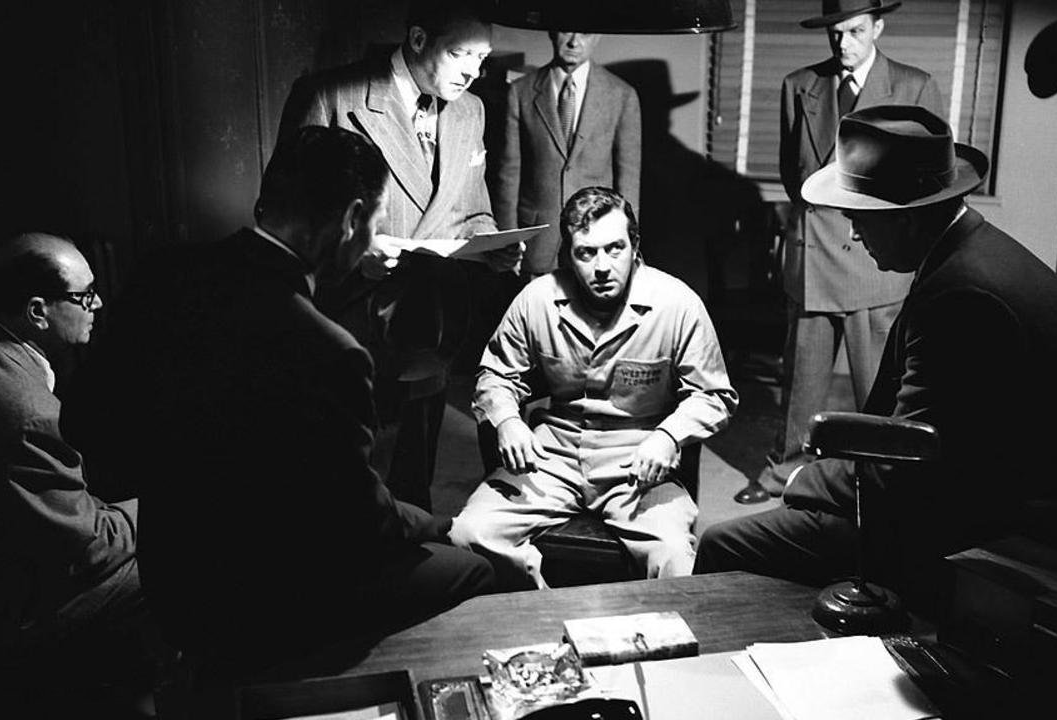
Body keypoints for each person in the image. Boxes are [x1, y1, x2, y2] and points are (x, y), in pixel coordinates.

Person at [67, 127, 494, 674]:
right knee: (473, 571)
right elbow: (360, 523)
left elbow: (87, 428)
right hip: (269, 604)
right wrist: (438, 524)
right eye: (377, 225)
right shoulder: (329, 350)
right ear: (352, 219)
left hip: (172, 580)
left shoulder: (162, 275)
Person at [695, 106, 1057, 600]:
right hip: (985, 496)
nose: (853, 235)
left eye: (859, 219)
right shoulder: (970, 255)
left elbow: (904, 468)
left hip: (990, 538)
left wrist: (805, 477)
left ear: (907, 218)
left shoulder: (964, 297)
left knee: (723, 544)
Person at [277, 0, 519, 511]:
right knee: (346, 488)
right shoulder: (332, 96)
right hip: (352, 322)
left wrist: (492, 243)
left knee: (413, 483)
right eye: (460, 54)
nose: (473, 72)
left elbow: (471, 209)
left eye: (482, 58)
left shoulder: (470, 111)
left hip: (433, 324)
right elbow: (285, 216)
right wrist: (356, 249)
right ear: (417, 40)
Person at [450, 187, 738, 589]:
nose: (602, 266)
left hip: (637, 463)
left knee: (674, 555)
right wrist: (507, 420)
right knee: (470, 533)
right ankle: (542, 612)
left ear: (635, 246)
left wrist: (669, 437)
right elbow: (495, 375)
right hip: (552, 456)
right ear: (568, 256)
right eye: (586, 253)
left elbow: (714, 396)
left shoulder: (677, 304)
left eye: (615, 249)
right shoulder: (537, 298)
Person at [0, 234, 149, 714]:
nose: (98, 304)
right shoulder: (28, 414)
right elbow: (92, 546)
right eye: (85, 295)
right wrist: (167, 504)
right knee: (174, 560)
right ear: (37, 312)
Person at [768, 0, 945, 486]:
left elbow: (928, 184)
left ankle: (881, 479)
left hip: (875, 259)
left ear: (878, 27)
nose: (843, 43)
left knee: (880, 389)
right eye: (836, 33)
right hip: (813, 259)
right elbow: (793, 173)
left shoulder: (914, 86)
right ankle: (786, 472)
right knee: (800, 383)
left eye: (856, 31)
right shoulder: (800, 84)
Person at [494, 31, 641, 277]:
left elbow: (629, 179)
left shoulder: (621, 95)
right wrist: (508, 242)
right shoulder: (521, 92)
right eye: (566, 31)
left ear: (598, 36)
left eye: (585, 33)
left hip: (598, 241)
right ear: (552, 32)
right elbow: (508, 174)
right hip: (536, 243)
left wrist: (626, 243)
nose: (574, 42)